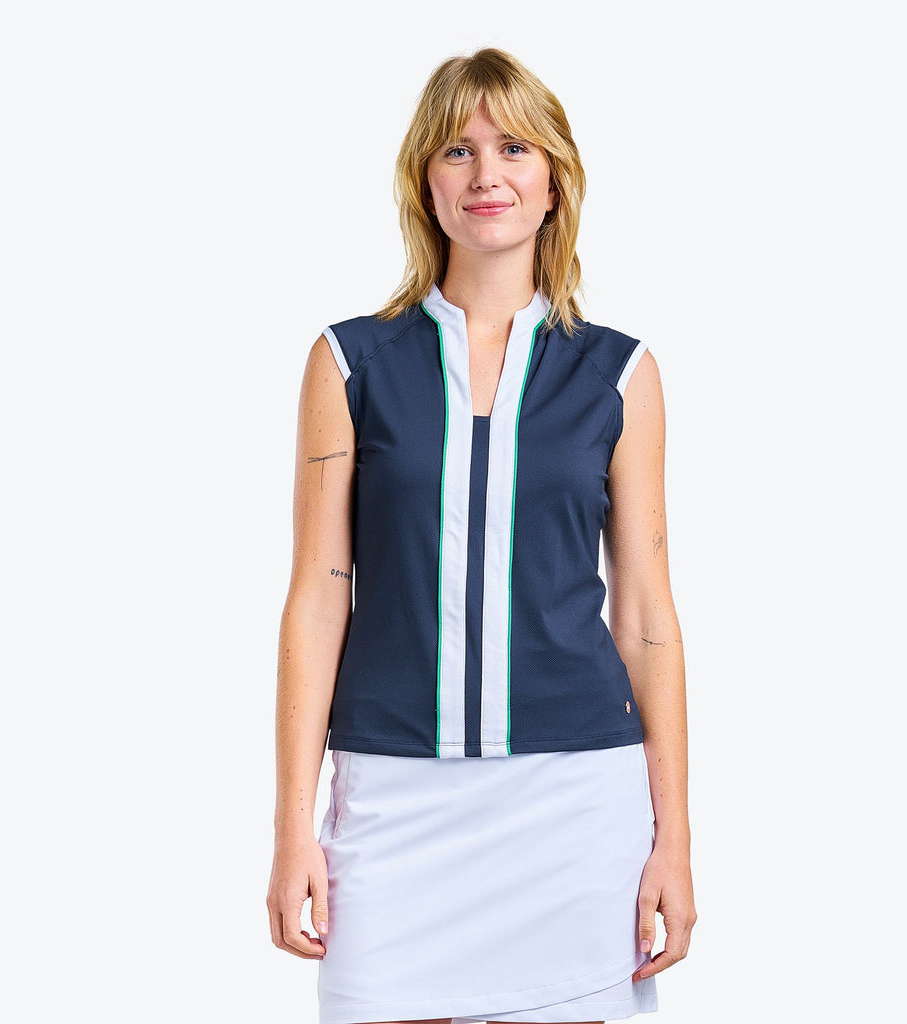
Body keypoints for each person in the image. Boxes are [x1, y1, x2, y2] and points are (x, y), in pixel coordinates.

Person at [267, 46, 696, 1024]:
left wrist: (673, 837)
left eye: (513, 148)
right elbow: (317, 599)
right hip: (392, 793)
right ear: (425, 181)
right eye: (457, 150)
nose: (485, 174)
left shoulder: (620, 373)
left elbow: (646, 617)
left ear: (555, 180)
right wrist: (292, 825)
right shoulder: (348, 362)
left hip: (576, 799)